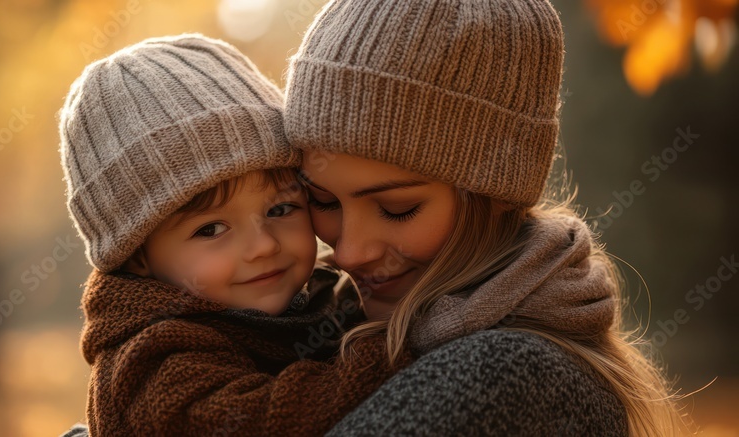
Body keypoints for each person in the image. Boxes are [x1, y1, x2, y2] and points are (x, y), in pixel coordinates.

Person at [284, 0, 689, 435]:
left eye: (397, 209)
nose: (348, 253)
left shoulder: (507, 376)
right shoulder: (330, 319)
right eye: (323, 200)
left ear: (496, 193)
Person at [58, 34, 408, 437]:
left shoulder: (320, 296)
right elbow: (272, 421)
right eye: (210, 229)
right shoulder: (152, 360)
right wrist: (395, 342)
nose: (263, 246)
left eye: (280, 210)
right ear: (137, 256)